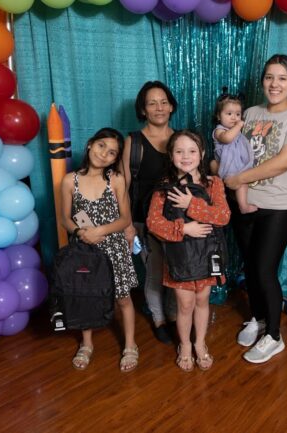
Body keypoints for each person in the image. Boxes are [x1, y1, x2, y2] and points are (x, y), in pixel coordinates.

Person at [224, 54, 287, 364]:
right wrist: (220, 169)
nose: (274, 84)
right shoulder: (250, 113)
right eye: (269, 77)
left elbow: (286, 160)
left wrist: (238, 178)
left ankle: (274, 336)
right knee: (250, 268)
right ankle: (258, 318)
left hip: (278, 205)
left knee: (264, 270)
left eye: (282, 78)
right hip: (244, 202)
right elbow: (231, 150)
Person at [147, 130, 231, 372]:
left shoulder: (213, 183)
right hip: (179, 256)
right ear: (171, 155)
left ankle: (200, 343)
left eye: (192, 151)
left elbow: (223, 216)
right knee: (185, 304)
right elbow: (153, 223)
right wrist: (184, 228)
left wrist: (191, 204)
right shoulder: (164, 187)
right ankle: (185, 345)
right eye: (179, 151)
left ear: (202, 154)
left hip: (207, 254)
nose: (186, 156)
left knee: (203, 300)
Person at [60, 127, 140, 372]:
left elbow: (125, 218)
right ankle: (86, 344)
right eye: (101, 145)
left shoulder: (116, 180)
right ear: (90, 145)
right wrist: (80, 232)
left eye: (112, 152)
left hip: (114, 247)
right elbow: (65, 218)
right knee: (86, 297)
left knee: (123, 298)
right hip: (84, 250)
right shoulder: (70, 180)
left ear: (115, 159)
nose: (104, 153)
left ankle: (130, 344)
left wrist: (100, 231)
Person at [122, 81, 178, 345]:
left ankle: (174, 315)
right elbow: (122, 187)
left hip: (177, 221)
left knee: (177, 270)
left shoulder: (181, 140)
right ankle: (159, 319)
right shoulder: (133, 142)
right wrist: (127, 225)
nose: (159, 108)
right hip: (143, 221)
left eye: (164, 102)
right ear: (143, 110)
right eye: (152, 103)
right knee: (155, 272)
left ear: (171, 106)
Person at [212, 89, 257, 214]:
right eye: (229, 114)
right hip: (227, 166)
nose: (234, 118)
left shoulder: (236, 131)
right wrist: (238, 125)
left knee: (244, 182)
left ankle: (240, 203)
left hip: (238, 165)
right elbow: (227, 138)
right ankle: (243, 206)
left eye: (238, 114)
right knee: (241, 183)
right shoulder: (219, 130)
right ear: (218, 116)